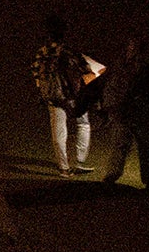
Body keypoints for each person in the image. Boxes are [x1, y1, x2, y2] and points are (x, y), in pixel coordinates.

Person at [32, 14, 103, 177]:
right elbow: (87, 71)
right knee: (83, 124)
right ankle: (79, 161)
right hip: (72, 96)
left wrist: (45, 90)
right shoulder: (68, 51)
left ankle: (63, 167)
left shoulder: (41, 53)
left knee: (58, 131)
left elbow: (36, 74)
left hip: (53, 97)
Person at [101, 39, 149, 190]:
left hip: (121, 110)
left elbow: (111, 86)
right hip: (138, 111)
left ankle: (111, 176)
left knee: (120, 144)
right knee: (146, 145)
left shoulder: (120, 66)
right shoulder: (144, 68)